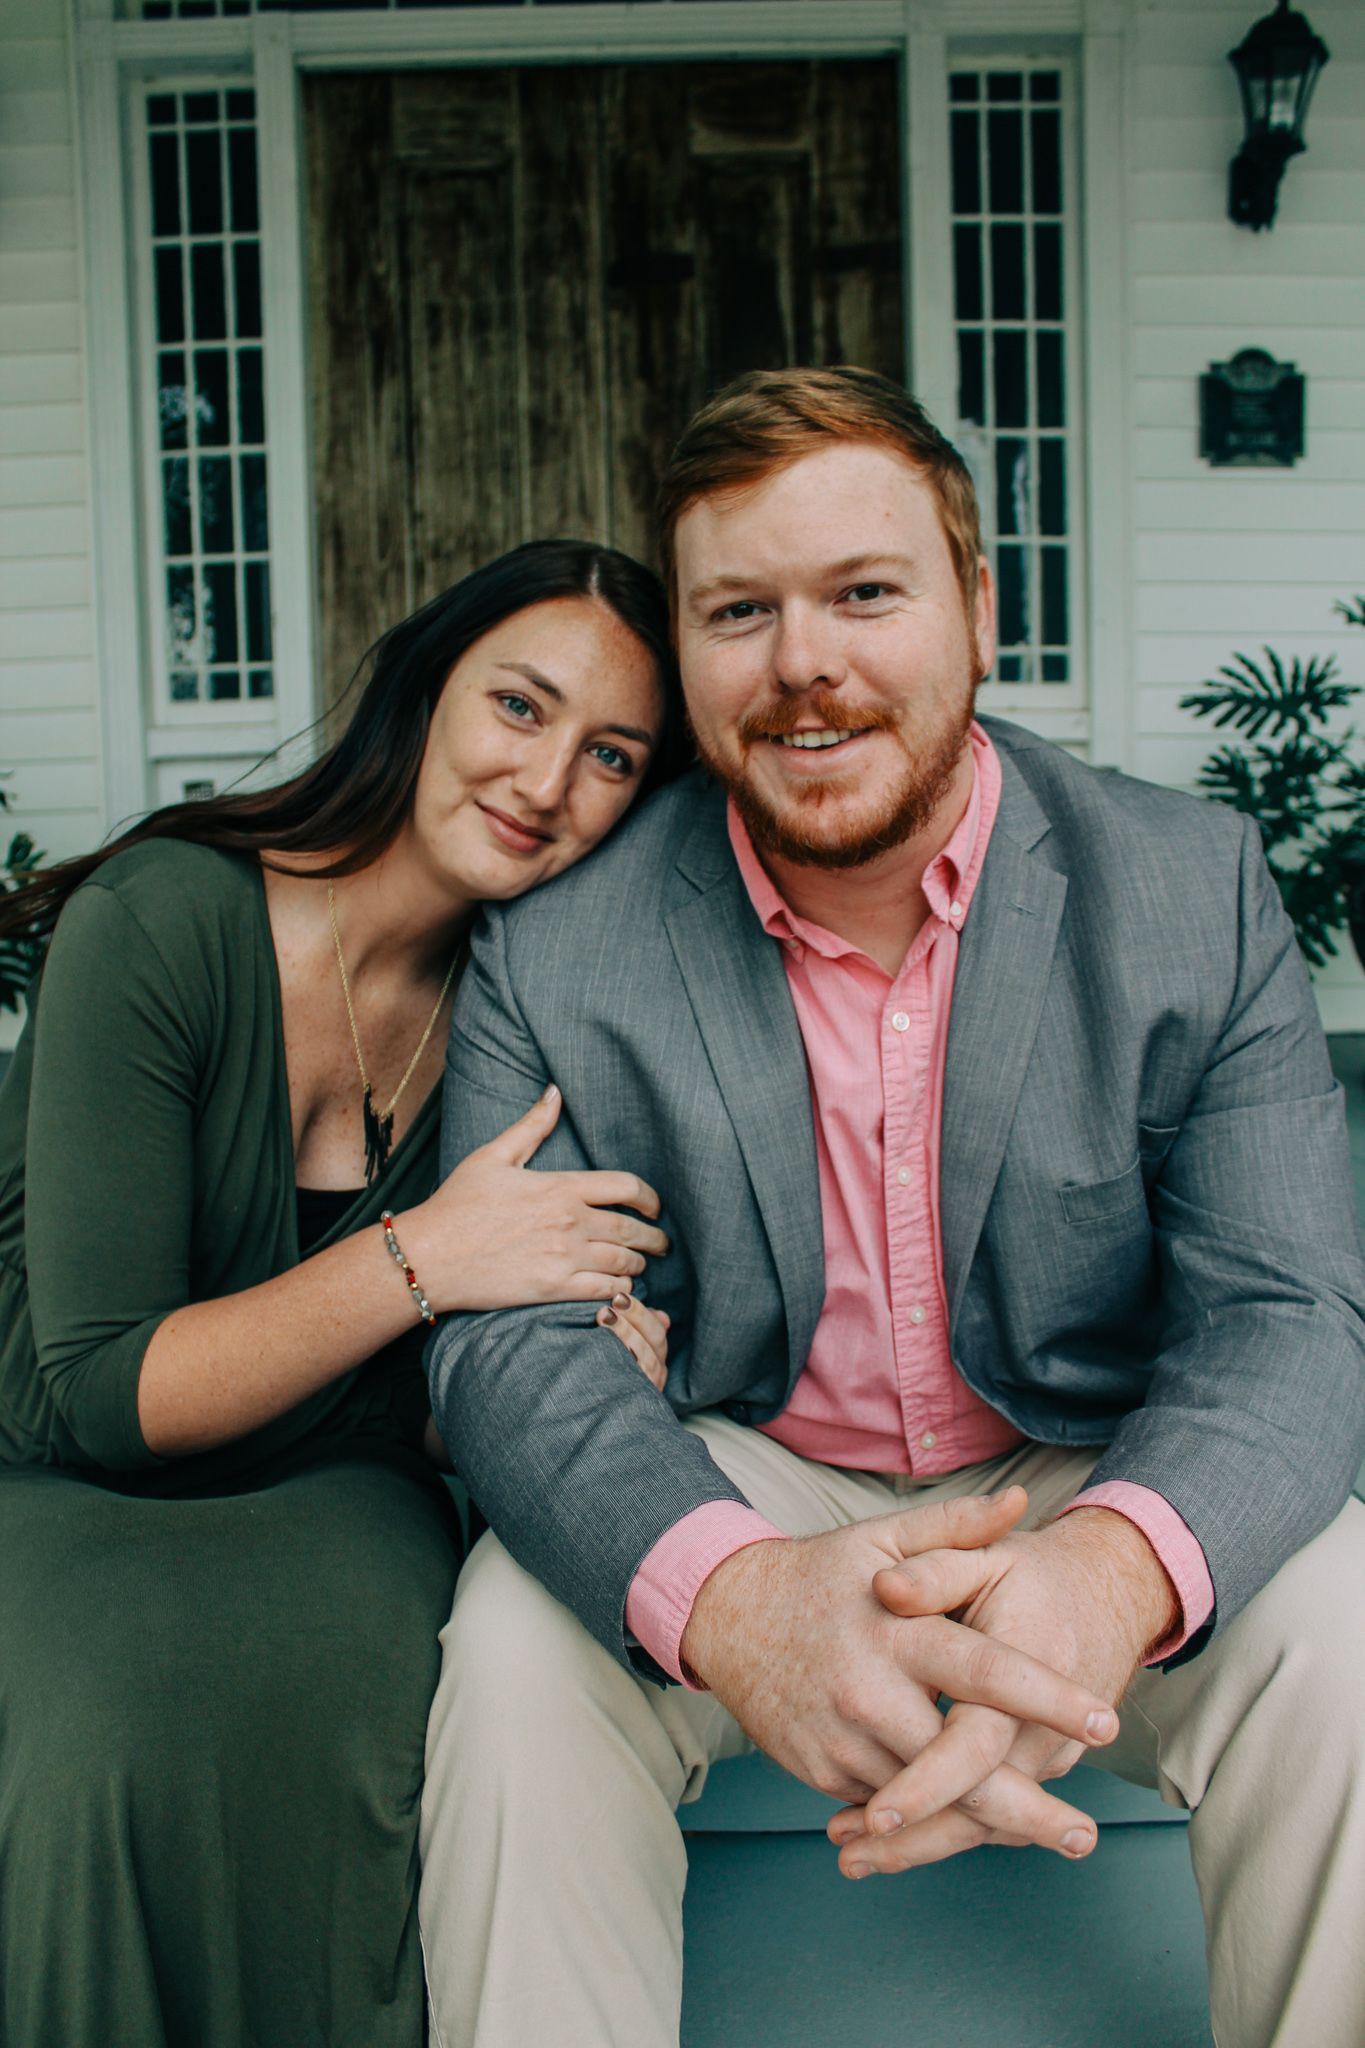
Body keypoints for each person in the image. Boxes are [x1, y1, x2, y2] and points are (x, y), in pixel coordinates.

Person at [420, 369, 1365, 2048]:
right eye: (738, 611)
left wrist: (1106, 1571)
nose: (803, 663)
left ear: (976, 609)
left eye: (863, 592)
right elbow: (512, 1355)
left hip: (1081, 1457)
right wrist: (734, 1598)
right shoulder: (561, 938)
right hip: (755, 1463)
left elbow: (1288, 1315)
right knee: (512, 1649)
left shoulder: (1187, 887)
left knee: (1348, 1630)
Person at [0, 539, 688, 2048]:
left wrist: (580, 1353)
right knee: (90, 1745)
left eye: (611, 756)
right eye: (519, 706)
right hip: (62, 1470)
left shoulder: (529, 1010)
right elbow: (107, 1395)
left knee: (374, 1699)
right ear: (425, 688)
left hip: (339, 1480)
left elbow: (444, 1395)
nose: (546, 779)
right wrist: (432, 1259)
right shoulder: (165, 918)